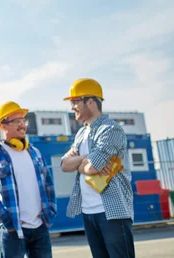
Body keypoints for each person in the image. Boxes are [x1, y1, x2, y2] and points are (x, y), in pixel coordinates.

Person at [60, 78, 135, 258]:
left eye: (75, 102)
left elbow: (92, 167)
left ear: (91, 102)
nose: (72, 107)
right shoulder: (80, 133)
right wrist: (85, 159)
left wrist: (82, 162)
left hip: (112, 211)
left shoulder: (111, 130)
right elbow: (64, 165)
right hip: (88, 212)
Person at [0, 101, 56, 258]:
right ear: (3, 125)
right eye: (16, 121)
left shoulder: (35, 153)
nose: (22, 125)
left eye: (23, 120)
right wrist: (7, 222)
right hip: (12, 230)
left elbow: (49, 185)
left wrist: (49, 212)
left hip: (40, 228)